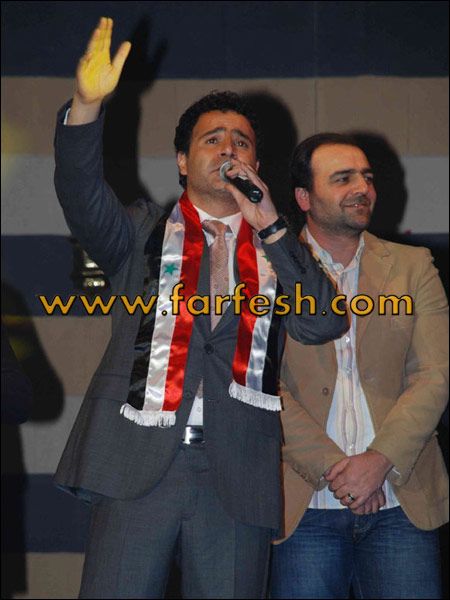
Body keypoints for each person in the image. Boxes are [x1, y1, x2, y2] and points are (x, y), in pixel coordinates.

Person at [53, 18, 347, 599]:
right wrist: (86, 107)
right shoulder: (140, 232)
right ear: (183, 161)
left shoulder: (279, 249)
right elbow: (81, 194)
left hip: (236, 475)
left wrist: (271, 225)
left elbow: (323, 321)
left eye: (241, 141)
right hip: (138, 465)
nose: (229, 148)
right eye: (212, 139)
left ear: (256, 163)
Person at [270, 133, 449, 599]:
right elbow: (263, 384)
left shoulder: (413, 266)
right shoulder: (267, 271)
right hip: (303, 504)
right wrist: (338, 470)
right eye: (343, 178)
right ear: (304, 197)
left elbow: (434, 375)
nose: (362, 188)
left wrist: (378, 461)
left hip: (400, 500)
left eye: (367, 177)